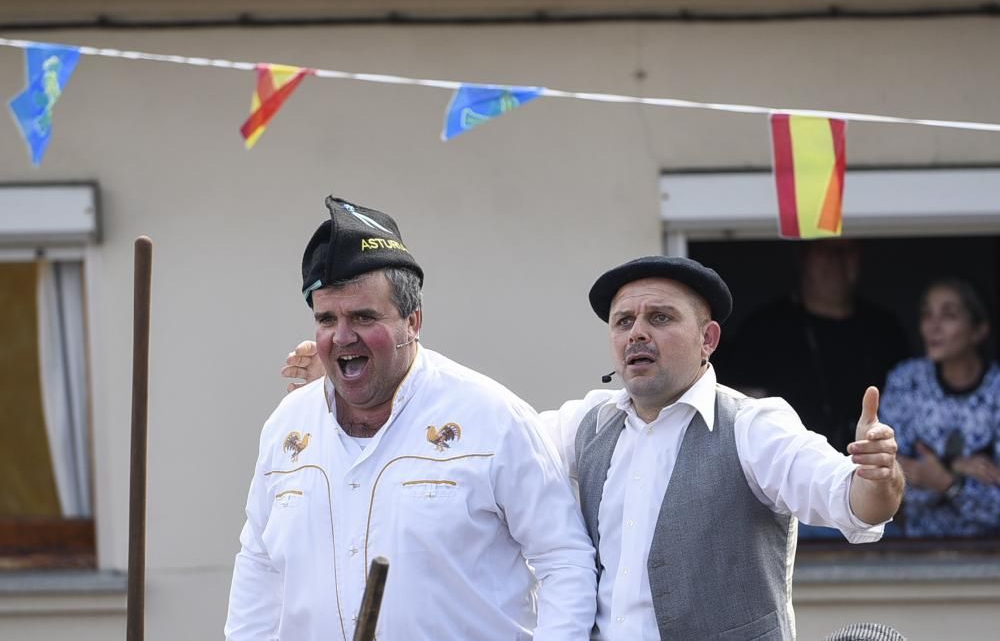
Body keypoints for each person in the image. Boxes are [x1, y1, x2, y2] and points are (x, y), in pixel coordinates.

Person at [284, 254, 904, 640]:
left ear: (708, 337)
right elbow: (476, 435)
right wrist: (356, 366)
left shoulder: (754, 426)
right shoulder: (585, 424)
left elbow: (853, 502)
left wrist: (877, 474)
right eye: (623, 321)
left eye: (660, 318)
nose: (637, 332)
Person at [226, 197, 597, 641]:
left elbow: (564, 560)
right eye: (326, 319)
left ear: (413, 321)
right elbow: (259, 564)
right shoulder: (288, 425)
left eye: (363, 316)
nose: (342, 336)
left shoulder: (491, 417)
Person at [718, 239, 909, 454]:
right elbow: (740, 409)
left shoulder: (884, 328)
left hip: (867, 464)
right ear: (803, 257)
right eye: (825, 250)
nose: (837, 258)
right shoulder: (765, 328)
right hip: (786, 467)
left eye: (847, 250)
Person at [879, 278, 1000, 537]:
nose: (933, 326)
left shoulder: (996, 390)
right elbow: (883, 476)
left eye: (949, 315)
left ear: (979, 330)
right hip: (912, 545)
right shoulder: (906, 380)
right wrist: (955, 466)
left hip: (989, 552)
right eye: (927, 314)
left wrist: (946, 483)